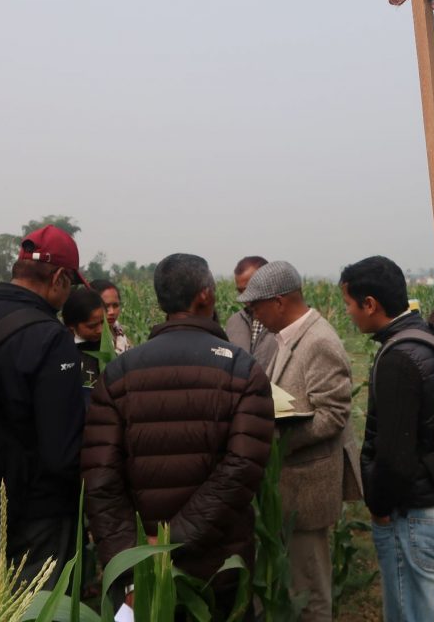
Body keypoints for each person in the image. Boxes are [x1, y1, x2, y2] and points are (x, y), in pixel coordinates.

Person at [82, 253, 274, 619]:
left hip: (145, 576)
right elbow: (241, 470)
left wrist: (135, 563)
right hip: (219, 570)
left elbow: (100, 479)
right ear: (205, 296)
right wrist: (174, 540)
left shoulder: (119, 373)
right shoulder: (242, 370)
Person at [0, 225, 87, 622]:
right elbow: (62, 454)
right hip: (32, 522)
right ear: (58, 278)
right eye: (71, 283)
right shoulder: (50, 337)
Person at [237, 260, 361, 622]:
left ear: (278, 302)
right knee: (290, 583)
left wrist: (274, 445)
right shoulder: (289, 337)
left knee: (308, 591)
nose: (253, 315)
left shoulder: (319, 342)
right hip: (288, 489)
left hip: (306, 490)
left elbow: (333, 416)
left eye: (256, 306)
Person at [339, 255, 434, 622]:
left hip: (415, 516)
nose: (348, 313)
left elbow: (394, 453)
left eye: (349, 304)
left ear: (370, 304)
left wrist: (379, 505)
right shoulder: (429, 336)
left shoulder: (399, 358)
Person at [224, 255, 279, 369]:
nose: (246, 298)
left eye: (250, 289)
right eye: (240, 291)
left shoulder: (284, 323)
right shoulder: (233, 323)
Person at [62, 287, 108, 392]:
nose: (100, 330)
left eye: (103, 322)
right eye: (92, 326)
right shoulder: (63, 353)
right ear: (72, 326)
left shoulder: (115, 343)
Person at [91, 279, 131, 354]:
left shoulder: (120, 333)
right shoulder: (90, 339)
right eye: (105, 306)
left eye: (115, 305)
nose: (112, 312)